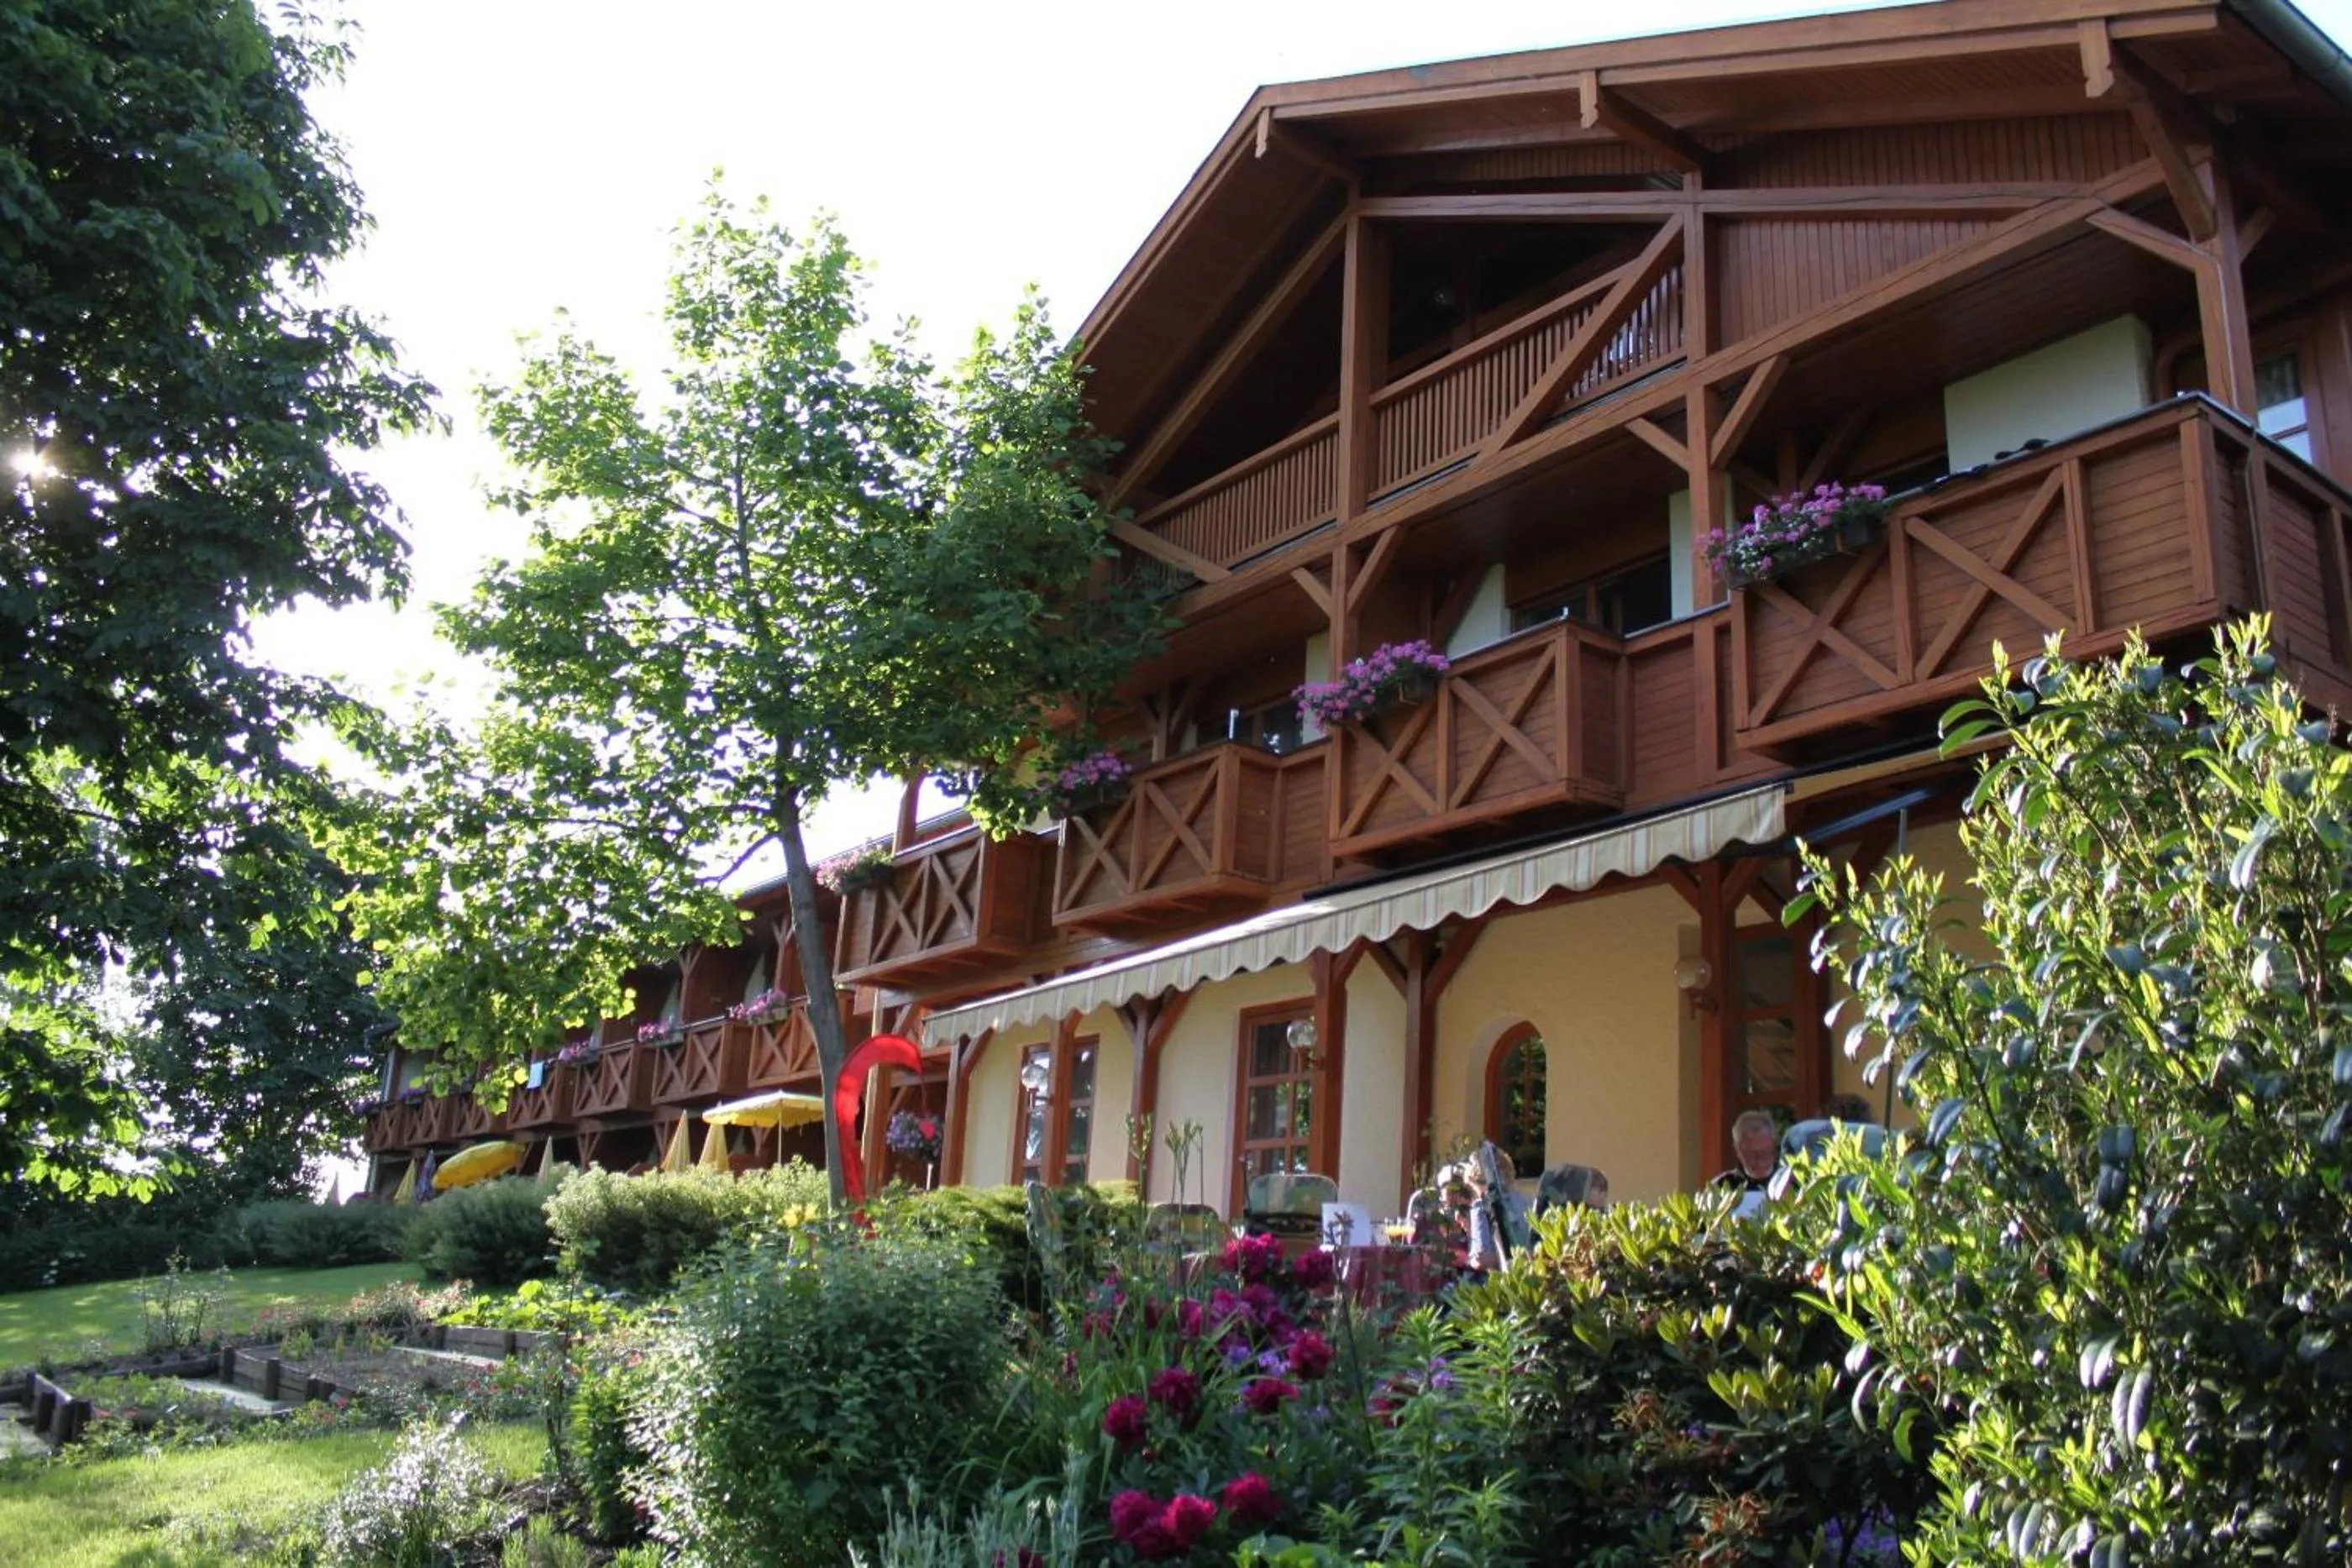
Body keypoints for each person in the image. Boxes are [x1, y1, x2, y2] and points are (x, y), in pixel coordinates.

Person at [1465, 1145, 1531, 1272]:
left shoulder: (1480, 1206)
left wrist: (1468, 1260)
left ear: (1476, 1182)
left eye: (1473, 1188)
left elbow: (1480, 1260)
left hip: (1505, 1277)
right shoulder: (1526, 1201)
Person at [1712, 1109, 1782, 1219]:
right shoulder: (1722, 1186)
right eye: (1753, 1154)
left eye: (1765, 1151)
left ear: (1773, 1145)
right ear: (1738, 1150)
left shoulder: (1790, 1181)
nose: (1760, 1160)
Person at [1534, 1162, 1612, 1219]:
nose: (1603, 1202)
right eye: (1604, 1196)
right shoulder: (1575, 1197)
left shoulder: (1579, 1194)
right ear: (1595, 1190)